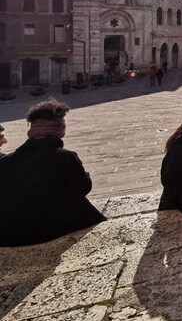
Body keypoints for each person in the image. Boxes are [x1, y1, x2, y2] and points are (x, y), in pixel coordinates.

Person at [0, 98, 106, 246]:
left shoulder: (5, 162)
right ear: (59, 130)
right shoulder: (66, 158)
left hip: (12, 236)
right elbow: (84, 187)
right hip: (51, 231)